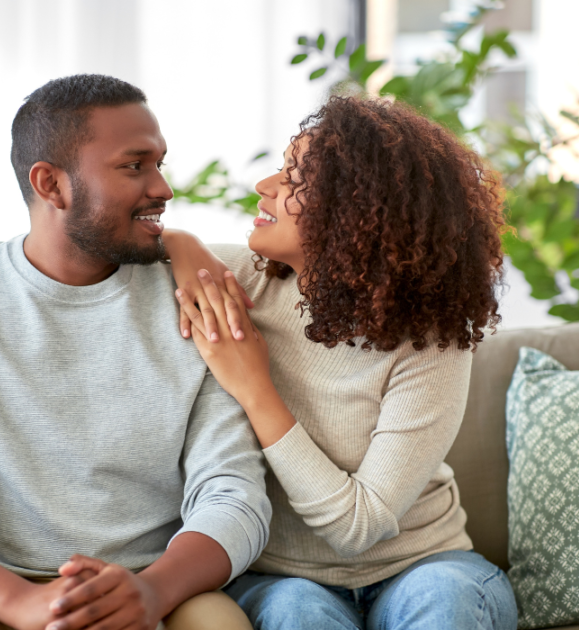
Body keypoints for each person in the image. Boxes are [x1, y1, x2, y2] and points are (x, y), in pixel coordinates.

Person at [0, 74, 270, 630]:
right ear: (51, 185)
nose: (164, 188)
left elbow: (233, 493)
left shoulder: (194, 299)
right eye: (133, 166)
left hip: (156, 583)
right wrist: (19, 601)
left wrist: (149, 592)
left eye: (159, 164)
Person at [163, 95, 518, 629]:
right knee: (296, 612)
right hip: (284, 580)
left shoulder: (431, 340)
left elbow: (362, 524)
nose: (265, 187)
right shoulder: (239, 284)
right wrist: (180, 240)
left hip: (424, 567)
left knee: (445, 602)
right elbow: (130, 243)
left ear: (356, 209)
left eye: (293, 179)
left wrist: (254, 388)